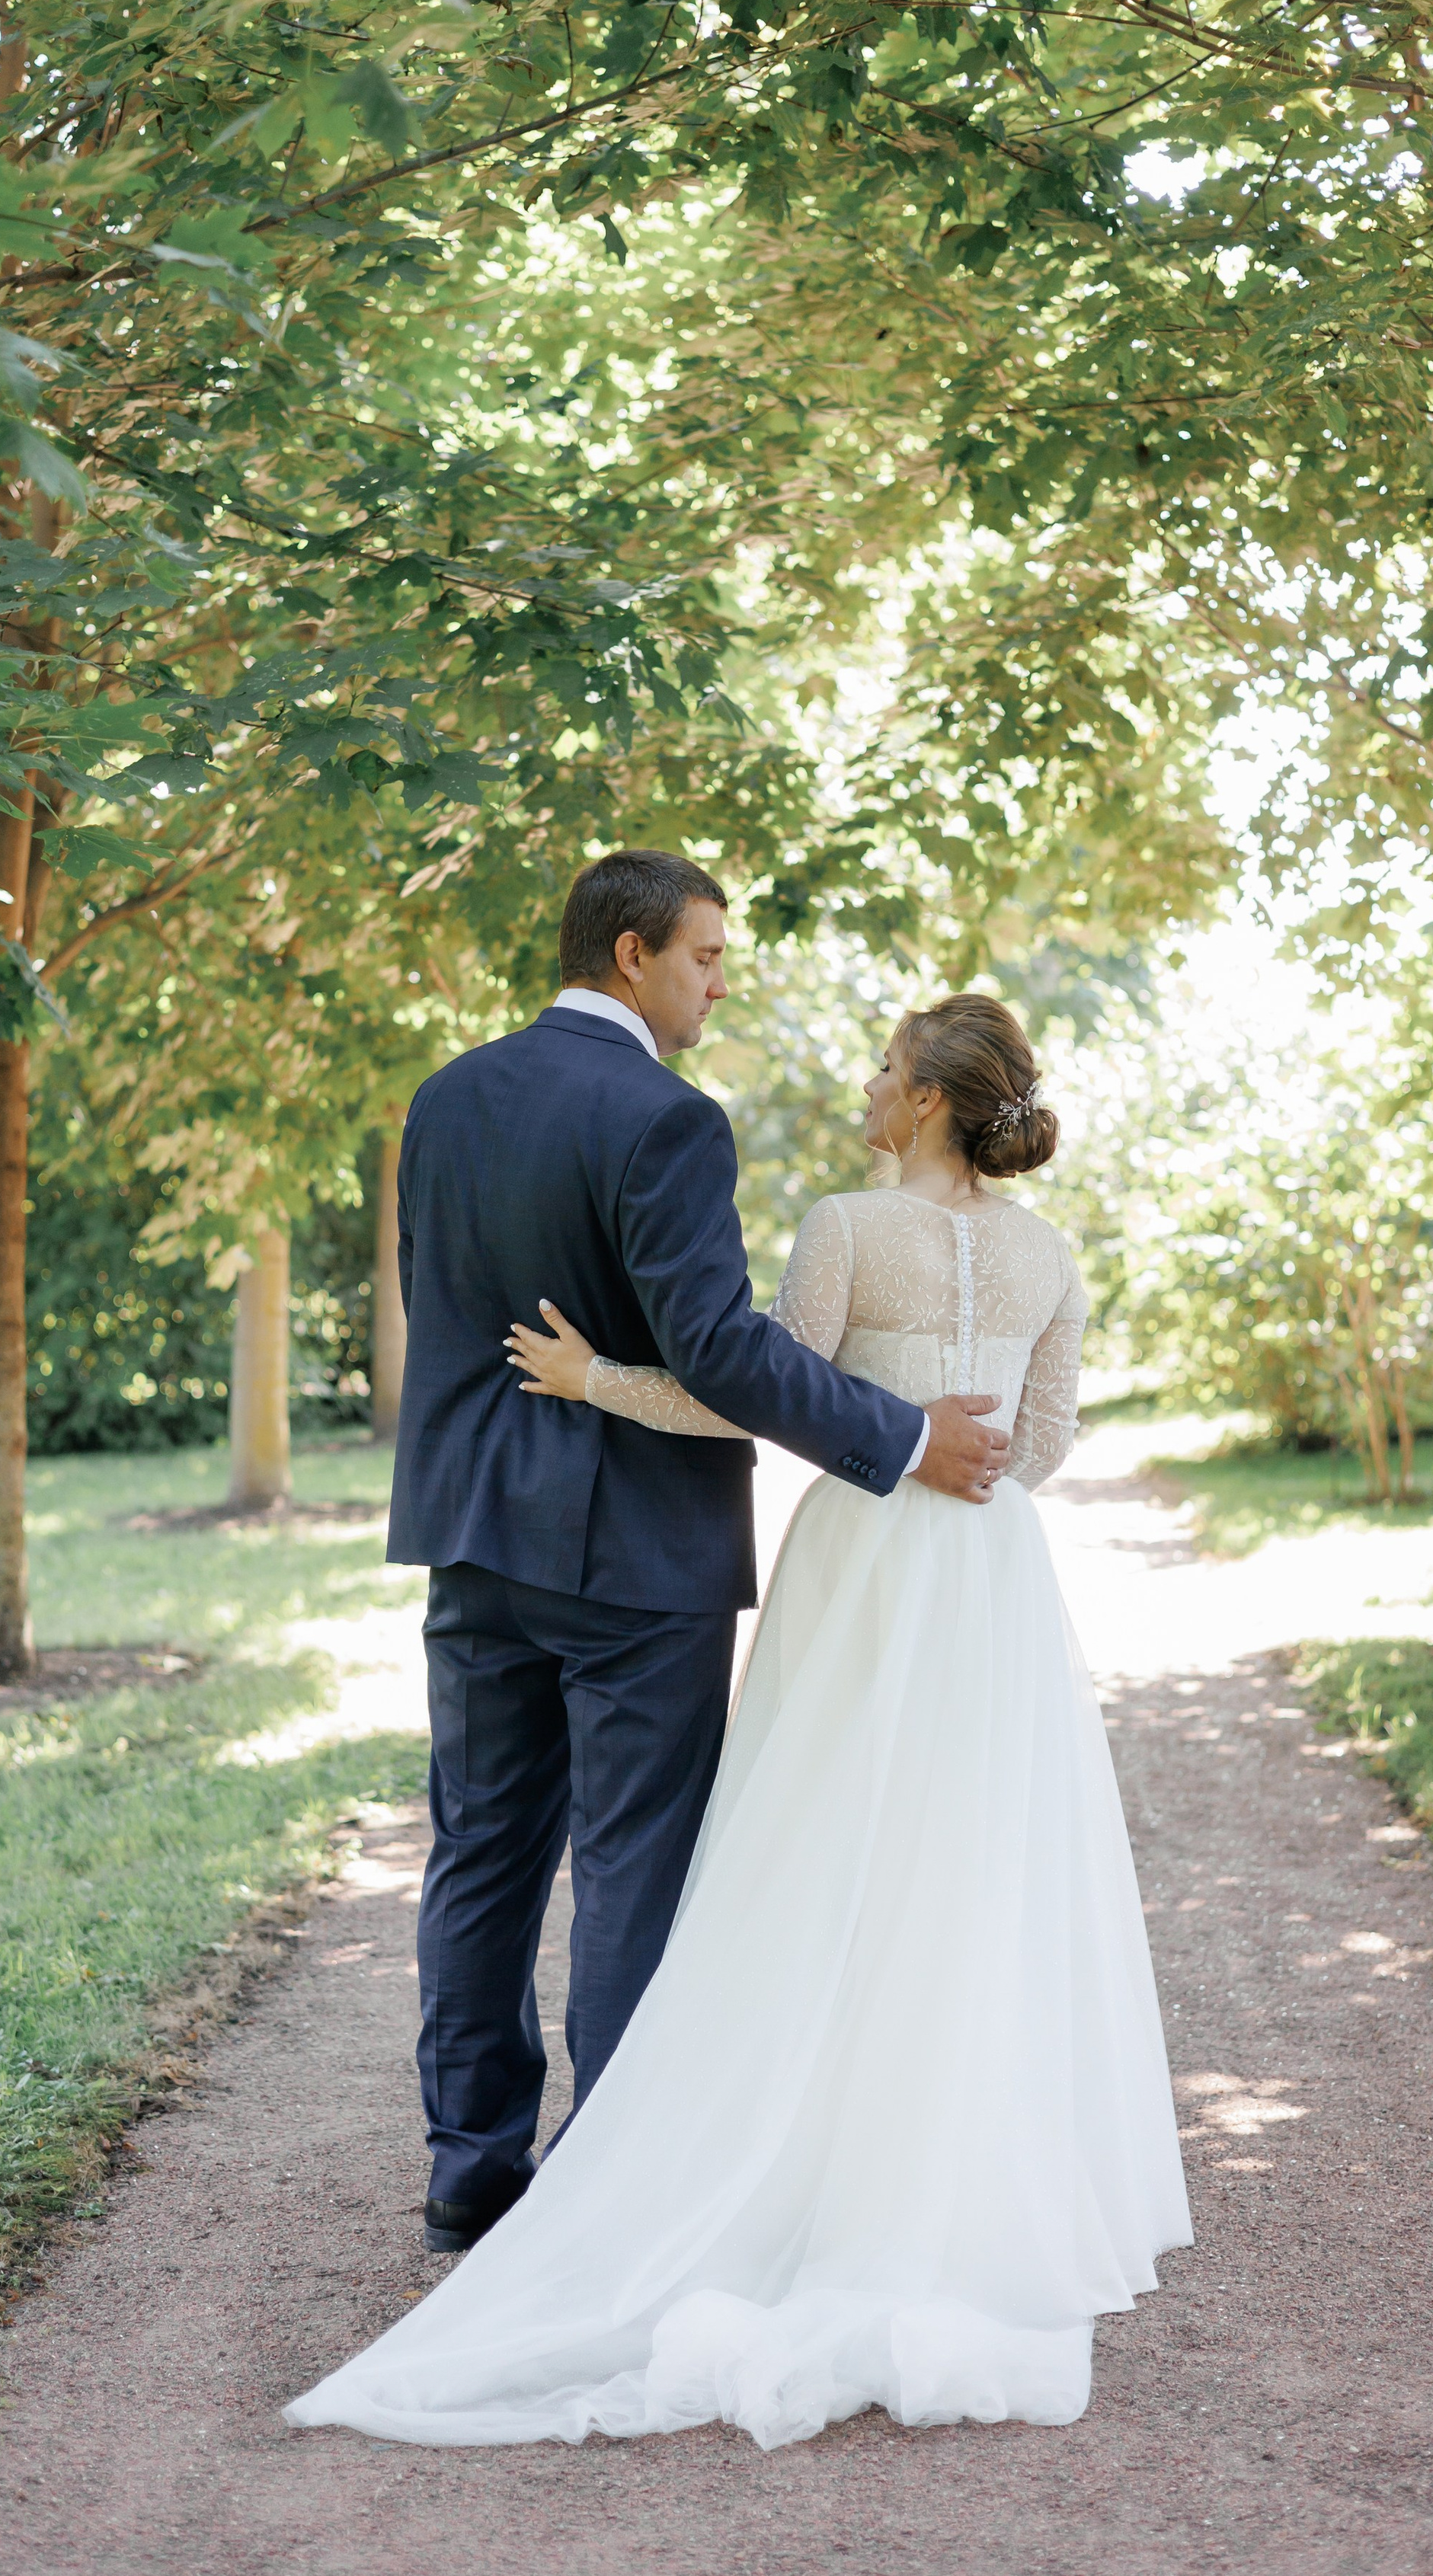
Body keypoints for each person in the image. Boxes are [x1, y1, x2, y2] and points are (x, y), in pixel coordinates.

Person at [286, 954, 1191, 2451]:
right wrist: (957, 1494)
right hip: (987, 1584)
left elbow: (740, 1380)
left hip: (855, 1561)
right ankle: (934, 2176)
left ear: (917, 1096)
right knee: (957, 1873)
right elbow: (1038, 1443)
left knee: (800, 1853)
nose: (855, 1086)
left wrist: (593, 1382)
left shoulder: (845, 1225)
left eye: (873, 1066)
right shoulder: (1044, 1254)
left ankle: (616, 2169)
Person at [366, 850, 1010, 2260]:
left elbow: (444, 1306)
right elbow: (719, 1349)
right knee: (631, 1864)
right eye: (707, 956)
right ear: (630, 958)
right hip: (635, 1556)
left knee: (481, 1850)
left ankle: (469, 2170)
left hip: (473, 1534)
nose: (721, 981)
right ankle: (608, 2187)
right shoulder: (668, 1120)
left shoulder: (446, 1100)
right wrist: (901, 1438)